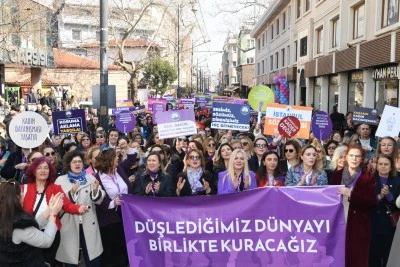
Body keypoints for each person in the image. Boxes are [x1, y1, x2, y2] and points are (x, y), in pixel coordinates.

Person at [21, 157, 88, 266]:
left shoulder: (56, 188)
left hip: (50, 233)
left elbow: (67, 205)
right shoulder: (23, 188)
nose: (43, 171)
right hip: (31, 232)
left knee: (48, 263)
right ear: (33, 171)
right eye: (39, 168)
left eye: (46, 168)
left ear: (50, 171)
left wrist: (79, 208)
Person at [55, 151, 105, 267]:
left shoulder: (90, 178)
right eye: (74, 162)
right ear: (69, 164)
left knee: (93, 259)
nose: (77, 164)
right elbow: (58, 202)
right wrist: (71, 193)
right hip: (69, 224)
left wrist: (96, 191)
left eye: (79, 162)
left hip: (89, 223)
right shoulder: (60, 180)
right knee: (71, 260)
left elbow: (99, 199)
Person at [330, 144, 376, 267]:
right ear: (346, 157)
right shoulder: (336, 175)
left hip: (358, 224)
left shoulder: (368, 178)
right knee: (337, 256)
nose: (354, 159)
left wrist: (352, 194)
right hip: (338, 221)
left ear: (361, 159)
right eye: (351, 156)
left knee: (356, 258)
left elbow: (371, 202)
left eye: (357, 156)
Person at [0, 179, 64, 267]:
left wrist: (49, 209)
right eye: (22, 192)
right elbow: (46, 241)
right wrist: (53, 214)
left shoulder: (7, 217)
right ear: (18, 197)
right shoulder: (19, 225)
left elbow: (32, 228)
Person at [94, 148, 134, 267]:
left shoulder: (119, 169)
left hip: (125, 215)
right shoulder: (98, 177)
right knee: (111, 249)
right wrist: (112, 203)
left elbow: (132, 158)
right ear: (108, 160)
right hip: (109, 219)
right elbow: (97, 198)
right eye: (115, 156)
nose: (117, 158)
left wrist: (127, 147)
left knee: (124, 246)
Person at [369, 154, 400, 267]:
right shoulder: (370, 180)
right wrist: (380, 196)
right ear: (376, 166)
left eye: (386, 164)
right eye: (380, 164)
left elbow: (398, 202)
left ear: (391, 166)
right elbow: (367, 201)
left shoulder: (397, 181)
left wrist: (388, 195)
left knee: (389, 255)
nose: (383, 166)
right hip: (374, 223)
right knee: (374, 256)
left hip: (391, 225)